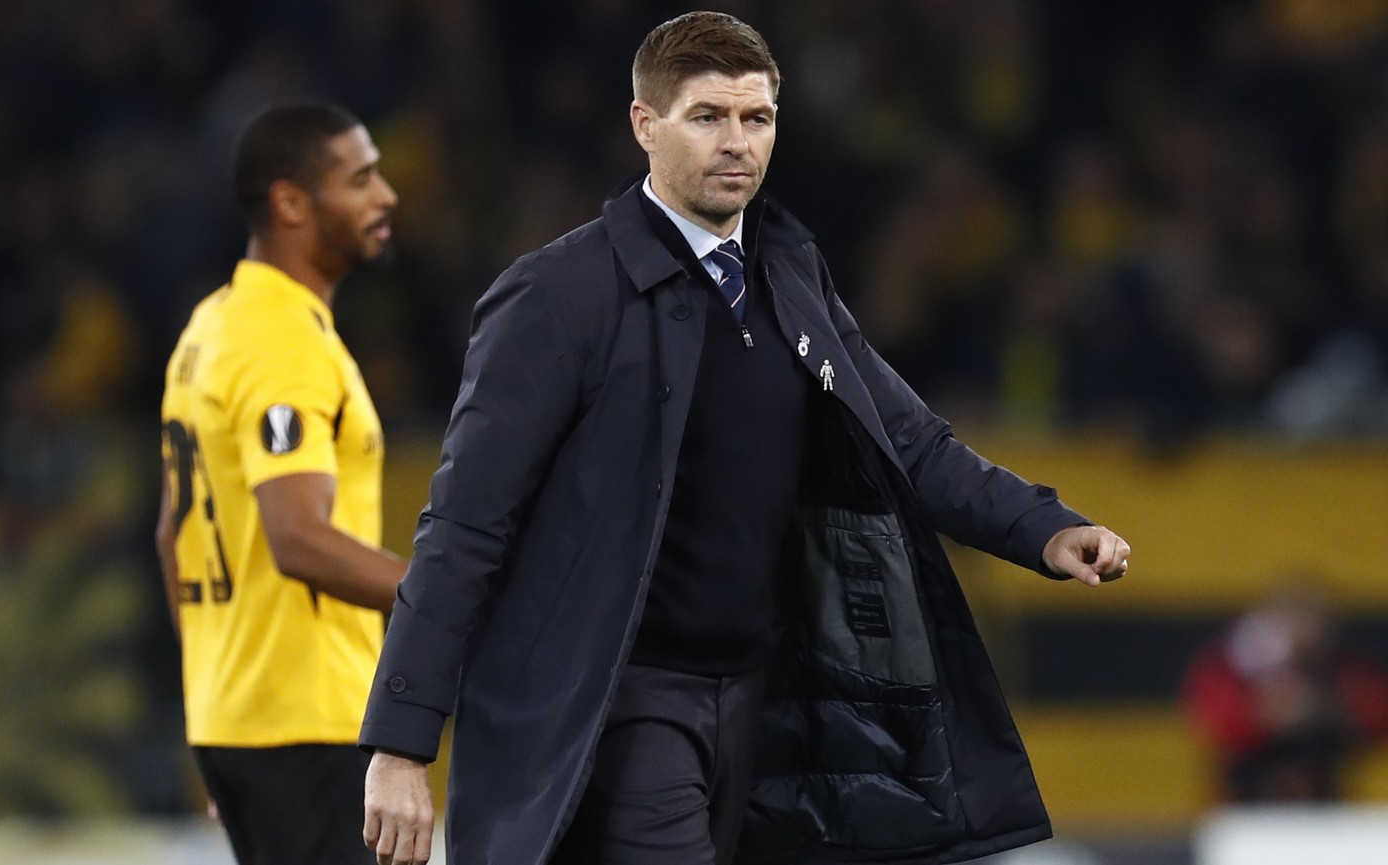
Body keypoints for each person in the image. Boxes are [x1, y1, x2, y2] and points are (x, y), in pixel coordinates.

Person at [360, 12, 1131, 865]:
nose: (737, 143)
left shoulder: (789, 276)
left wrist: (1047, 527)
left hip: (770, 709)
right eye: (707, 117)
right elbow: (464, 526)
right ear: (644, 126)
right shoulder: (556, 297)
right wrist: (400, 744)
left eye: (755, 119)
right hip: (620, 704)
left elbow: (910, 441)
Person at [156, 103, 407, 865]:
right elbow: (297, 537)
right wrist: (451, 595)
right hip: (308, 717)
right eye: (360, 179)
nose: (387, 195)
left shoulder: (210, 327)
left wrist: (215, 706)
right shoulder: (281, 341)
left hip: (238, 716)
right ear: (291, 202)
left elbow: (173, 536)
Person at [1183, 584, 1388, 802]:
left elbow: (1378, 715)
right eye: (1294, 618)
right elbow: (1212, 724)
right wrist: (1265, 714)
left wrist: (1337, 711)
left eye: (1312, 620)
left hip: (1323, 807)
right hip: (1246, 806)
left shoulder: (1342, 670)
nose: (1305, 630)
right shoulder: (1232, 665)